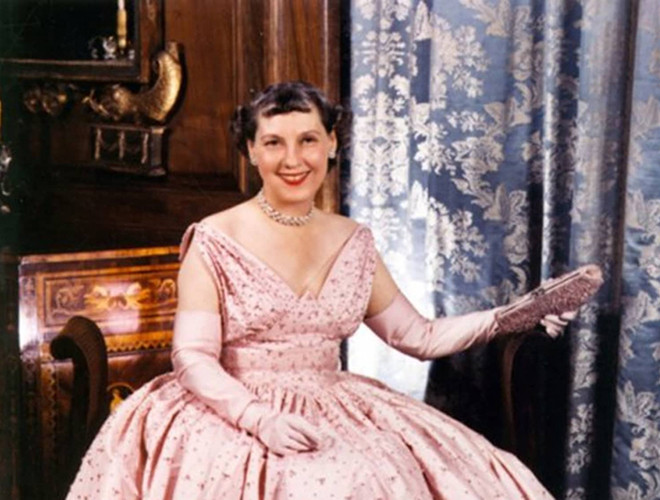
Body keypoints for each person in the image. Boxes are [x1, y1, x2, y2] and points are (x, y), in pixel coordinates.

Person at [67, 81, 576, 499]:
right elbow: (193, 355)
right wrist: (258, 418)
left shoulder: (353, 241)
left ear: (332, 143)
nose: (293, 159)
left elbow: (417, 336)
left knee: (403, 473)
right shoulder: (214, 238)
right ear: (250, 150)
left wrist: (514, 316)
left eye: (308, 140)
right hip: (230, 407)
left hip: (334, 403)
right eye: (274, 143)